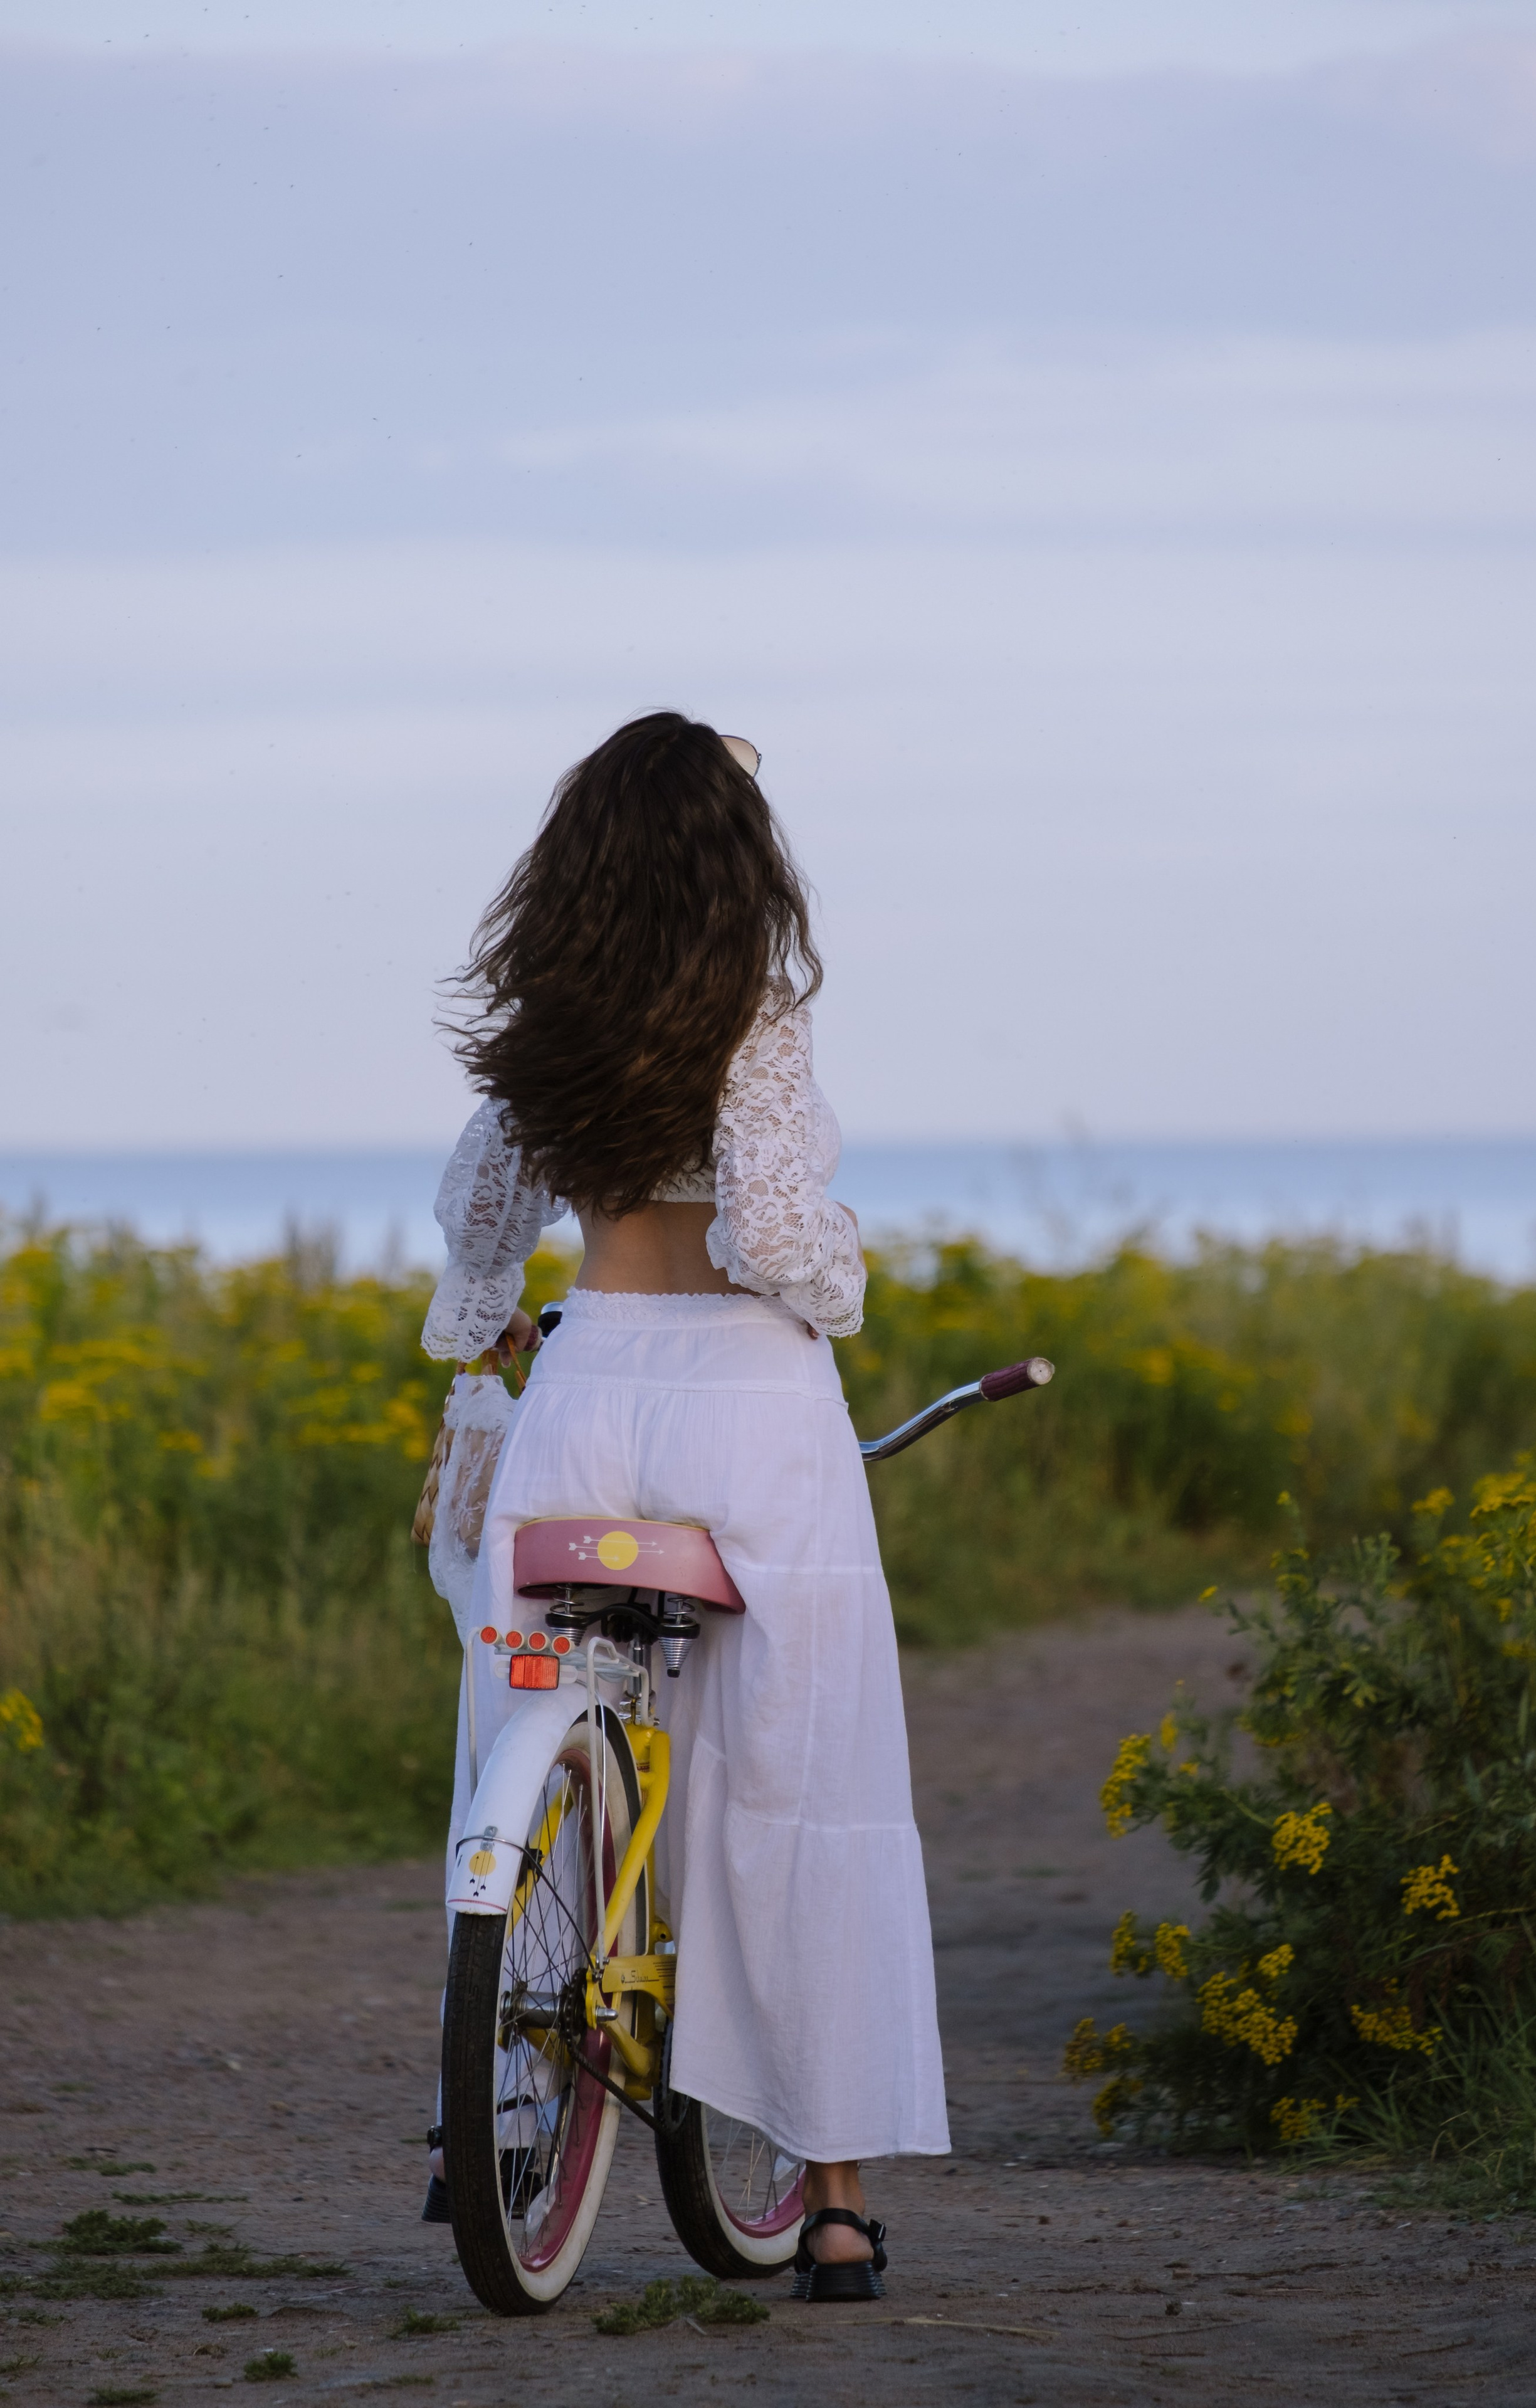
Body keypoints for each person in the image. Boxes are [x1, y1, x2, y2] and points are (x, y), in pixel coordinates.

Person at [419, 710, 948, 2298]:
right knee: (805, 1776)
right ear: (739, 859)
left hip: (586, 1402)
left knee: (521, 1720)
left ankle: (486, 2116)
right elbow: (787, 1237)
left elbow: (473, 1217)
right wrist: (846, 1275)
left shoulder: (552, 1016)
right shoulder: (754, 1010)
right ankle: (834, 2201)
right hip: (745, 1404)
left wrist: (486, 1319)